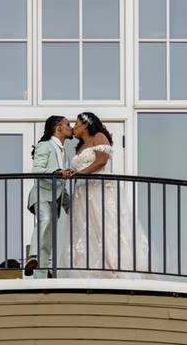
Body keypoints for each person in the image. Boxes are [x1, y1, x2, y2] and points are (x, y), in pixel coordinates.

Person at [62, 112, 148, 276]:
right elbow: (79, 168)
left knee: (107, 227)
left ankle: (114, 269)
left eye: (77, 124)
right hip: (83, 193)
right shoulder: (79, 146)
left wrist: (80, 174)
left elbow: (101, 161)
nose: (74, 127)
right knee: (85, 231)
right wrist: (71, 172)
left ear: (86, 124)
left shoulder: (99, 136)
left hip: (99, 190)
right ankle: (89, 270)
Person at [25, 115, 72, 278]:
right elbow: (37, 170)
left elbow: (61, 184)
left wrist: (70, 206)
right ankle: (32, 256)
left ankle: (41, 276)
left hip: (56, 199)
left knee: (47, 240)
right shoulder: (44, 145)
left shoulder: (63, 151)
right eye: (68, 124)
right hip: (42, 195)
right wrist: (56, 172)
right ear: (58, 127)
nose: (71, 127)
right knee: (44, 221)